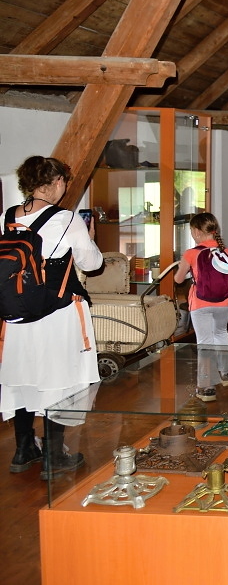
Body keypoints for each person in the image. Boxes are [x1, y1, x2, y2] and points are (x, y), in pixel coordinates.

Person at [1, 156, 102, 480]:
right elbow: (92, 264)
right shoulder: (66, 219)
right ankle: (54, 456)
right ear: (57, 182)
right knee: (59, 378)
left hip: (16, 315)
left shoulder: (6, 217)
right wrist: (89, 237)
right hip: (56, 313)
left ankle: (23, 450)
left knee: (23, 377)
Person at [175, 213, 228, 402]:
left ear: (196, 232)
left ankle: (206, 387)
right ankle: (226, 373)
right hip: (223, 302)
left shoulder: (191, 253)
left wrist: (182, 266)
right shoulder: (226, 252)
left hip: (200, 303)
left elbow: (178, 279)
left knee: (204, 342)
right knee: (221, 334)